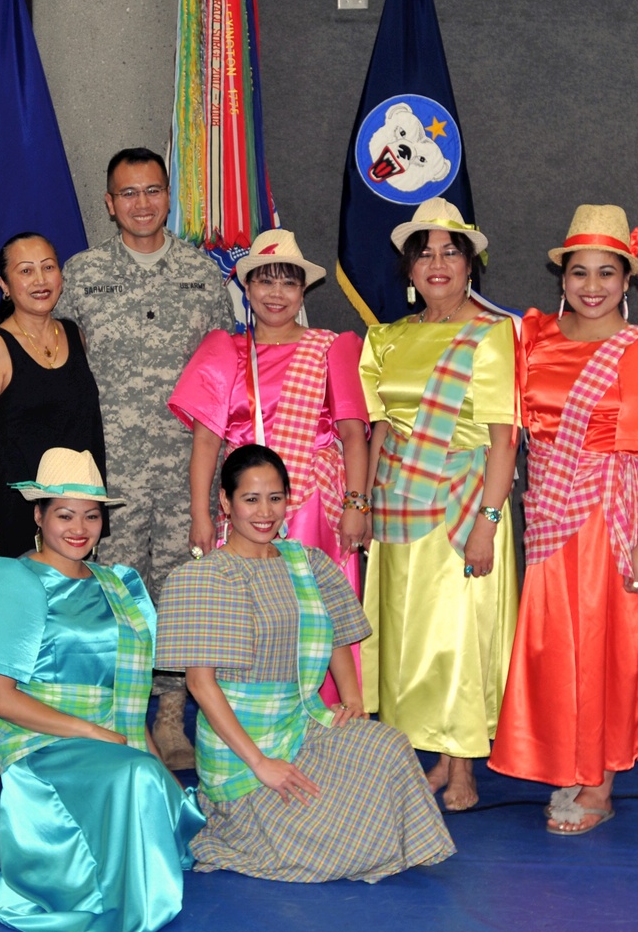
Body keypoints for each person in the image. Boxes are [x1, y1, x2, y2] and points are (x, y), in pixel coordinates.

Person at [155, 445, 454, 882]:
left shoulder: (306, 561)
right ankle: (235, 826)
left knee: (388, 746)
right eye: (250, 499)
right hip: (242, 755)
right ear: (225, 501)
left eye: (275, 498)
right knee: (336, 850)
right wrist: (261, 764)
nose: (265, 512)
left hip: (303, 725)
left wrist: (352, 699)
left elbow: (334, 631)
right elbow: (201, 686)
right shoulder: (203, 576)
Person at [488, 205, 638, 835]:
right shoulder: (534, 339)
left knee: (603, 647)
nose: (593, 285)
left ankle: (599, 780)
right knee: (555, 646)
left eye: (608, 272)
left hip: (612, 517)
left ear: (627, 279)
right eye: (580, 272)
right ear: (562, 278)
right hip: (549, 514)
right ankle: (568, 762)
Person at [0, 448, 205, 932]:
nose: (80, 528)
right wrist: (96, 734)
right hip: (43, 746)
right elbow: (1, 701)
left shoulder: (120, 585)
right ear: (39, 515)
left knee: (153, 782)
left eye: (92, 516)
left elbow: (129, 699)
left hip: (116, 742)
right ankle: (116, 910)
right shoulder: (10, 579)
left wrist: (155, 762)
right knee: (132, 777)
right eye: (64, 514)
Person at [55, 146, 234, 770]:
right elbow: (46, 352)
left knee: (182, 593)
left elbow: (226, 367)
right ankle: (124, 715)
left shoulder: (201, 274)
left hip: (190, 468)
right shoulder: (80, 274)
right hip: (110, 474)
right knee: (117, 593)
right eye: (127, 193)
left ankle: (169, 716)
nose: (141, 203)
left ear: (169, 198)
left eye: (152, 190)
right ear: (109, 204)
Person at [359, 197, 519, 812]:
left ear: (471, 264)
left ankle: (461, 765)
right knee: (404, 635)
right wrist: (365, 504)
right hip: (398, 503)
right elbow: (379, 431)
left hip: (465, 500)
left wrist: (489, 520)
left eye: (451, 252)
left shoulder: (491, 336)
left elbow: (504, 439)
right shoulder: (385, 338)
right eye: (424, 253)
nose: (438, 263)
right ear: (408, 269)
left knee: (457, 636)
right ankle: (420, 754)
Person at [169, 228, 370, 704]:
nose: (276, 294)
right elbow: (207, 440)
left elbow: (353, 435)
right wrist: (201, 514)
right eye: (265, 281)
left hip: (311, 508)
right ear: (246, 287)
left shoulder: (331, 347)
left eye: (288, 283)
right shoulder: (225, 350)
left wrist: (356, 503)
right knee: (247, 613)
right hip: (244, 507)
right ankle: (251, 720)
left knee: (314, 614)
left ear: (303, 291)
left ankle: (326, 721)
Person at [0, 231, 106, 563]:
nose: (40, 280)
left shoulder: (74, 335)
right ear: (4, 285)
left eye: (48, 267)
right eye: (26, 271)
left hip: (75, 515)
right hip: (15, 517)